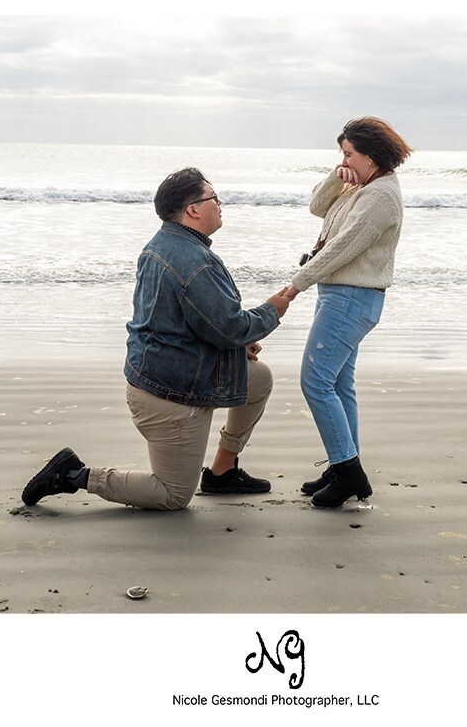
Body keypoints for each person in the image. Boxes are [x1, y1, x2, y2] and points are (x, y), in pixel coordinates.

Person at [22, 167, 291, 510]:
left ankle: (223, 471)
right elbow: (229, 328)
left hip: (167, 371)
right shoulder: (194, 261)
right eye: (214, 197)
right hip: (169, 393)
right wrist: (272, 310)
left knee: (258, 378)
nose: (220, 203)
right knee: (173, 495)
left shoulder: (163, 243)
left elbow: (183, 322)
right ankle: (76, 475)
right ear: (193, 209)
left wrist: (236, 342)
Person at [283, 117, 412, 508]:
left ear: (371, 156)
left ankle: (349, 472)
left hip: (352, 298)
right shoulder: (361, 186)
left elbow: (341, 248)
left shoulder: (380, 198)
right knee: (338, 384)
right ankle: (343, 466)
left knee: (316, 381)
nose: (344, 160)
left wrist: (294, 286)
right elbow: (317, 207)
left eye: (348, 154)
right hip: (340, 294)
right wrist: (338, 175)